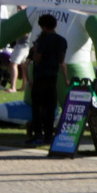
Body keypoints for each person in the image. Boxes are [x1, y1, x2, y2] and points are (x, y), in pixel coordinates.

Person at [26, 13, 67, 145]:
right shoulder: (62, 40)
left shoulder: (42, 41)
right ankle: (49, 135)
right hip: (53, 76)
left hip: (40, 76)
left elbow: (37, 59)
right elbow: (62, 59)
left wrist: (36, 51)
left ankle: (38, 134)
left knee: (37, 107)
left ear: (43, 27)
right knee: (50, 107)